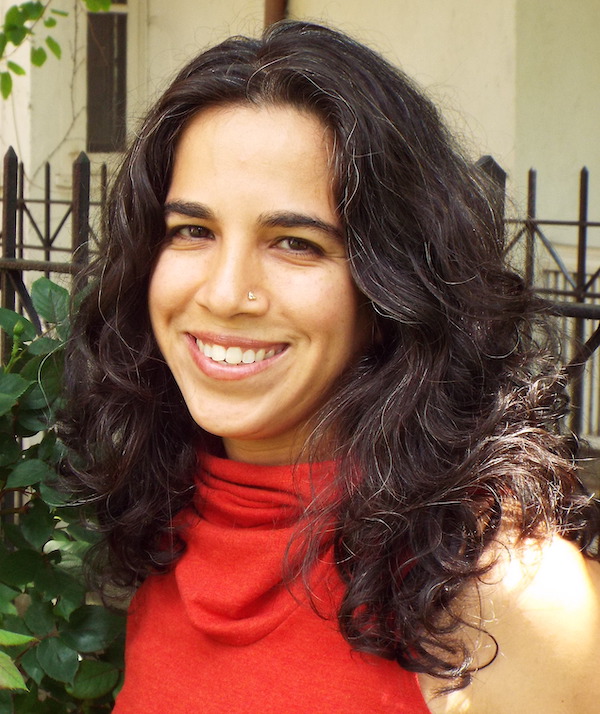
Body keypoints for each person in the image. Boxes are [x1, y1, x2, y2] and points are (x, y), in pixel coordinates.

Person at [60, 20, 600, 713]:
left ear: (389, 288)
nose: (224, 294)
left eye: (295, 243)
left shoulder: (504, 594)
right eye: (192, 231)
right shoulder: (171, 519)